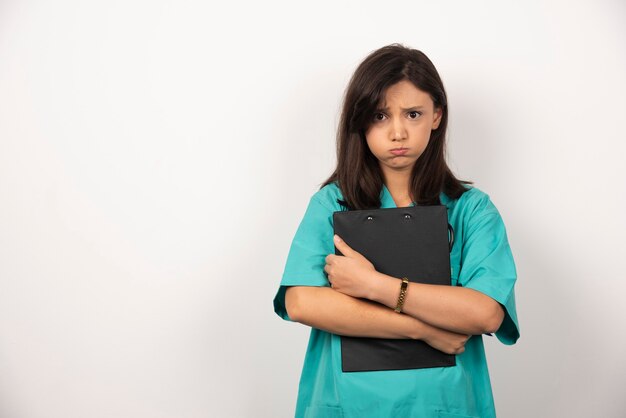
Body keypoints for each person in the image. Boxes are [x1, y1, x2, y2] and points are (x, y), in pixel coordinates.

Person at [273, 43, 520, 418]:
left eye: (413, 114)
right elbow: (302, 302)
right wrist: (423, 329)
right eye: (380, 116)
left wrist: (375, 286)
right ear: (360, 121)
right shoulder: (332, 205)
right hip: (349, 402)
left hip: (443, 402)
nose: (398, 132)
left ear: (437, 116)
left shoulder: (471, 210)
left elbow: (486, 313)